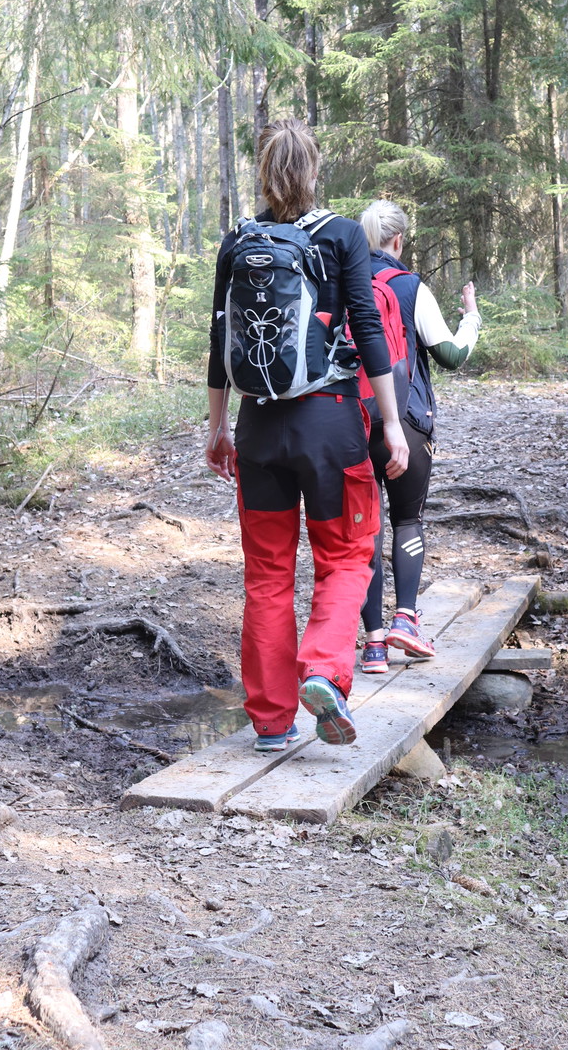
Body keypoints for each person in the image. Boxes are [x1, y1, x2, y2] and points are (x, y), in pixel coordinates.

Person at [205, 121, 409, 751]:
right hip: (331, 426)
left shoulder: (239, 240)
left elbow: (220, 341)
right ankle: (323, 672)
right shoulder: (344, 236)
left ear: (264, 172)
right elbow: (369, 331)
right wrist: (393, 424)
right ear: (315, 171)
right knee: (347, 556)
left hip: (259, 425)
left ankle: (270, 721)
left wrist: (217, 428)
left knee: (266, 575)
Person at [357, 200, 481, 672]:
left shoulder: (341, 283)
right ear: (398, 240)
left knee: (365, 528)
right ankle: (405, 621)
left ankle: (371, 645)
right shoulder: (409, 286)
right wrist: (471, 317)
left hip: (351, 421)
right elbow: (450, 354)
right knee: (407, 520)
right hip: (405, 419)